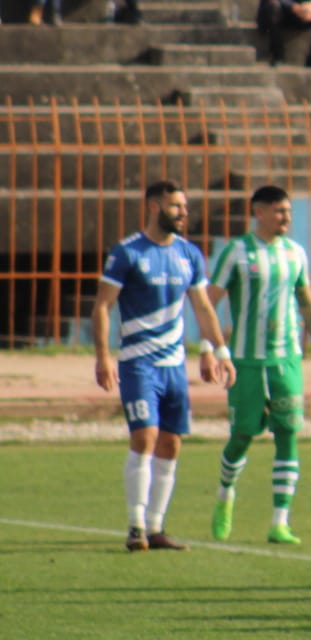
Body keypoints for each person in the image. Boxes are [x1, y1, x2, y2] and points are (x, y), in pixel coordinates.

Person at [92, 180, 236, 552]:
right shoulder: (128, 252)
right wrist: (104, 356)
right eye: (176, 206)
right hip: (139, 364)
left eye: (185, 206)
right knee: (145, 437)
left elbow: (203, 307)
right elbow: (103, 307)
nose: (184, 213)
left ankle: (156, 528)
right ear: (154, 207)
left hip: (174, 366)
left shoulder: (189, 254)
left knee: (171, 444)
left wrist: (219, 352)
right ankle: (135, 525)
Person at [199, 184, 311, 542]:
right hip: (246, 362)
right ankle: (226, 494)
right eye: (279, 211)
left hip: (286, 360)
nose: (286, 218)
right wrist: (208, 348)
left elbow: (306, 301)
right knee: (242, 435)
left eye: (288, 211)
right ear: (258, 212)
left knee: (288, 434)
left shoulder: (295, 254)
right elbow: (208, 302)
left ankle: (280, 522)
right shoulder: (237, 252)